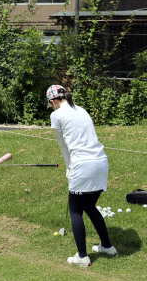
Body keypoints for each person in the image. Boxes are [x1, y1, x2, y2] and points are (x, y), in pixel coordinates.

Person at [47, 84, 116, 267]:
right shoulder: (81, 109)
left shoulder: (56, 115)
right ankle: (107, 246)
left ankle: (82, 257)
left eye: (50, 104)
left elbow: (63, 146)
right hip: (101, 162)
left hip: (82, 165)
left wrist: (69, 167)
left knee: (75, 210)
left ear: (53, 101)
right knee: (89, 206)